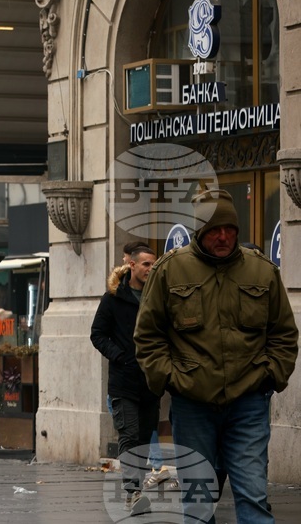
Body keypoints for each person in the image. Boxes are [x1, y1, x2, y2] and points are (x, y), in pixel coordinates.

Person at [135, 190, 298, 523]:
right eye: (213, 229)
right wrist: (170, 380)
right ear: (198, 231)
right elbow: (148, 336)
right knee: (198, 503)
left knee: (254, 497)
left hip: (248, 403)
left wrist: (271, 375)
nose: (222, 236)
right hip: (192, 404)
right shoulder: (170, 271)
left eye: (229, 229)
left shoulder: (262, 271)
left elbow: (283, 333)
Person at [90, 246, 159, 514]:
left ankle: (137, 487)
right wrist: (119, 356)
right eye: (145, 264)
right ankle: (134, 491)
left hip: (151, 382)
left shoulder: (158, 296)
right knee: (128, 435)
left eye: (153, 264)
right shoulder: (113, 298)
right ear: (131, 265)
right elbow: (97, 334)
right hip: (123, 381)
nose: (150, 268)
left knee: (143, 438)